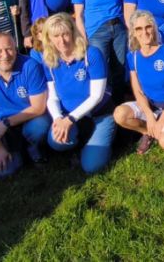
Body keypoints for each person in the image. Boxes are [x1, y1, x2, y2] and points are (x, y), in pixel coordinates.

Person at [38, 13, 116, 174]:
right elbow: (52, 96)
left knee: (91, 166)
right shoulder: (49, 60)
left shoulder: (91, 54)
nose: (62, 41)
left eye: (65, 34)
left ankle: (107, 138)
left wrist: (70, 119)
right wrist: (58, 118)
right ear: (48, 38)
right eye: (56, 36)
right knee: (55, 141)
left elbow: (96, 96)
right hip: (69, 117)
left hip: (98, 114)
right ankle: (81, 140)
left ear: (73, 32)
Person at [0, 33, 51, 177]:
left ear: (16, 48)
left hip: (30, 119)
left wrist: (6, 123)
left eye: (9, 49)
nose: (5, 55)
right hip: (4, 129)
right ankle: (19, 151)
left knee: (39, 127)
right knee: (4, 172)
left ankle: (35, 149)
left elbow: (38, 108)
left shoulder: (30, 66)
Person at [114, 11, 164, 153]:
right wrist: (148, 116)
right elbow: (138, 91)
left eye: (148, 27)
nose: (144, 32)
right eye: (138, 29)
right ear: (133, 32)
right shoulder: (133, 57)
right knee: (119, 114)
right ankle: (148, 132)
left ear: (154, 28)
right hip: (150, 108)